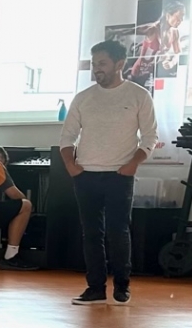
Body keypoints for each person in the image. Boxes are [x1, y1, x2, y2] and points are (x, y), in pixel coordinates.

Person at [60, 38, 157, 305]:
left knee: (118, 232)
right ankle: (95, 288)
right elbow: (67, 137)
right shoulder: (83, 98)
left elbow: (150, 137)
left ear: (119, 64)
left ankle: (122, 286)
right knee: (91, 233)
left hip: (119, 175)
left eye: (102, 63)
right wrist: (71, 166)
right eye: (94, 64)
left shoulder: (139, 96)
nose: (97, 69)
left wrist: (133, 164)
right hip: (85, 175)